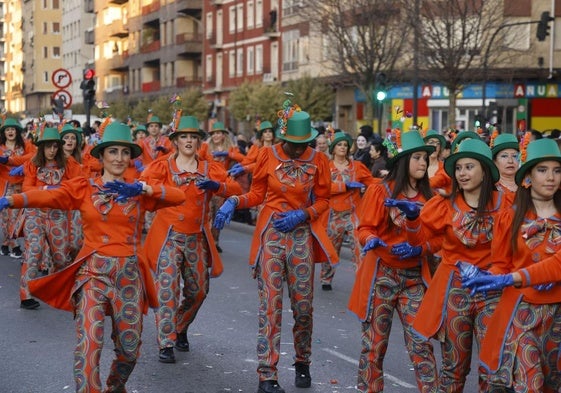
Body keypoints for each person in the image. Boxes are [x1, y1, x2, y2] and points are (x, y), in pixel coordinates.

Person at [0, 121, 185, 392]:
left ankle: (114, 385)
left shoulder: (138, 191)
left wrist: (145, 189)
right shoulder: (84, 188)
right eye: (113, 152)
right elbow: (48, 196)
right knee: (88, 344)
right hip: (92, 274)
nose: (119, 158)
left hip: (129, 277)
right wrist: (12, 201)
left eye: (124, 152)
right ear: (101, 156)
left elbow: (178, 196)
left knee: (130, 349)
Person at [213, 109, 338, 393]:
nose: (297, 149)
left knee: (303, 308)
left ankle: (302, 360)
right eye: (293, 143)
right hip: (271, 234)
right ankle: (266, 375)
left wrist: (304, 213)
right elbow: (257, 194)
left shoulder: (319, 160)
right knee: (270, 306)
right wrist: (233, 200)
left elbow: (325, 199)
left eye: (302, 143)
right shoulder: (268, 156)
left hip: (301, 236)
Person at [385, 138, 514, 391]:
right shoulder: (444, 205)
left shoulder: (506, 204)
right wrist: (412, 218)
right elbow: (421, 240)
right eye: (458, 168)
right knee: (454, 367)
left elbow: (517, 247)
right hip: (456, 291)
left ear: (484, 170)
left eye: (469, 167)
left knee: (493, 367)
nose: (462, 174)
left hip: (493, 291)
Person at [462, 138, 561, 392]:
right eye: (542, 170)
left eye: (557, 170)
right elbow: (502, 265)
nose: (551, 177)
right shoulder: (509, 218)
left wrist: (518, 277)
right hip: (522, 313)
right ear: (527, 177)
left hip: (558, 315)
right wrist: (488, 277)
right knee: (530, 385)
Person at [140, 116, 242, 363]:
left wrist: (217, 186)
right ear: (175, 141)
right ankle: (166, 342)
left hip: (197, 237)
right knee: (167, 289)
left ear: (199, 142)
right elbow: (145, 186)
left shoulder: (209, 168)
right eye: (183, 136)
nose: (188, 141)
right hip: (169, 236)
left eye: (193, 137)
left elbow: (236, 190)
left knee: (198, 292)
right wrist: (154, 190)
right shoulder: (162, 166)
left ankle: (180, 327)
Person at [348, 130, 438, 393]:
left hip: (413, 279)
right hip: (381, 276)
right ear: (402, 161)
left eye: (425, 158)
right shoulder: (380, 191)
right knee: (374, 345)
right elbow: (365, 228)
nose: (423, 163)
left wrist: (420, 247)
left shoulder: (429, 199)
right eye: (418, 157)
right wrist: (370, 240)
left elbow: (435, 240)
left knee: (421, 343)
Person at [19, 126, 82, 310]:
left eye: (55, 146)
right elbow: (26, 188)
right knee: (34, 251)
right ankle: (26, 295)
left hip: (58, 215)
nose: (52, 150)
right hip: (35, 213)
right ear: (41, 147)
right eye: (48, 146)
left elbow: (78, 183)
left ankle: (57, 290)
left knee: (61, 257)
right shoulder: (33, 164)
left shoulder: (69, 164)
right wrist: (46, 190)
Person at [320, 131, 377, 291]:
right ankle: (326, 278)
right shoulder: (326, 167)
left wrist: (389, 181)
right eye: (339, 144)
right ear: (333, 148)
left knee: (360, 248)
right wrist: (344, 186)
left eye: (345, 145)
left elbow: (371, 182)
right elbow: (322, 188)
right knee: (331, 248)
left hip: (353, 214)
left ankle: (362, 280)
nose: (343, 147)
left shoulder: (357, 167)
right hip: (333, 214)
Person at [198, 121, 244, 252]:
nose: (216, 136)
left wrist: (228, 155)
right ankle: (206, 241)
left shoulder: (230, 148)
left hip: (223, 184)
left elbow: (243, 159)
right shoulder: (206, 147)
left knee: (219, 214)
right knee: (208, 214)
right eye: (213, 134)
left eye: (218, 133)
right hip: (208, 184)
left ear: (224, 135)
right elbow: (197, 158)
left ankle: (215, 241)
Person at [0, 118, 36, 258]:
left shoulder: (26, 145)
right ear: (4, 132)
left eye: (13, 129)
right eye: (7, 129)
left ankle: (11, 244)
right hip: (4, 185)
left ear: (17, 131)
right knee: (4, 217)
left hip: (20, 185)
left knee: (16, 216)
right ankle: (9, 243)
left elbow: (33, 156)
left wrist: (11, 161)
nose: (10, 131)